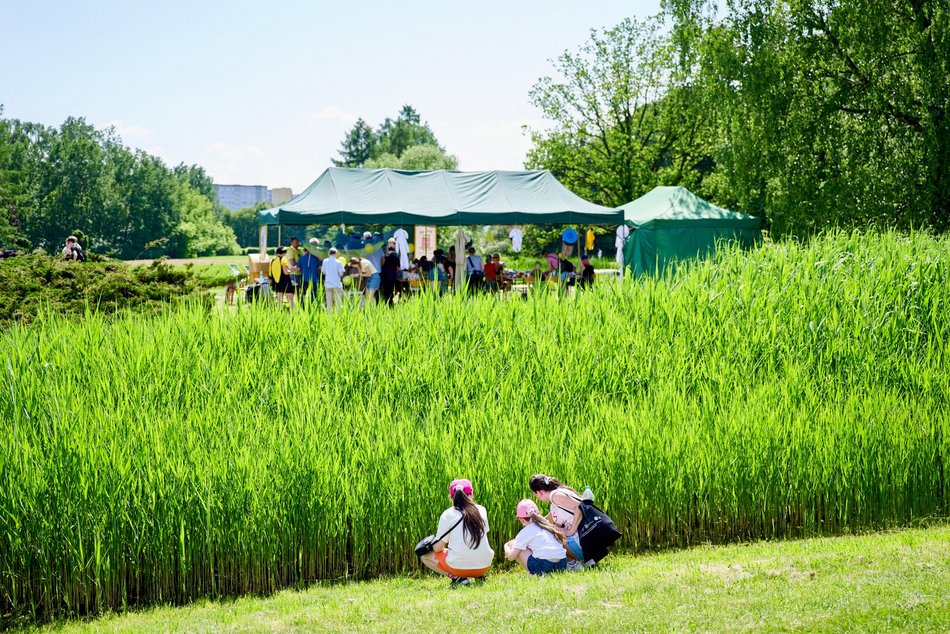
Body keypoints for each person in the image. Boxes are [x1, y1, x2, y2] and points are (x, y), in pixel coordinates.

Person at [419, 478, 494, 585]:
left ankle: (457, 578)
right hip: (484, 566)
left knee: (425, 556)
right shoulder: (481, 510)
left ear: (451, 497)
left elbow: (437, 548)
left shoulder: (447, 514)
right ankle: (479, 575)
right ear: (471, 494)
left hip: (459, 568)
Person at [529, 474, 585, 565]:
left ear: (539, 492)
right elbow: (547, 521)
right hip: (585, 538)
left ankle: (575, 563)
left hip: (585, 539)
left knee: (550, 540)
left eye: (535, 494)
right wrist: (531, 522)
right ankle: (574, 563)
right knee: (552, 533)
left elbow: (579, 506)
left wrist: (571, 531)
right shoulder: (557, 498)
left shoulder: (555, 496)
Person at [504, 499, 568, 575]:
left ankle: (533, 573)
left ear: (521, 519)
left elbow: (510, 557)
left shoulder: (526, 531)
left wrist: (506, 545)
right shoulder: (547, 525)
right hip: (562, 564)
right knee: (523, 546)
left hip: (544, 566)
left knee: (516, 546)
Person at [297, 238, 323, 304]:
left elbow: (298, 269)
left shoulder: (302, 258)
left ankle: (303, 306)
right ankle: (311, 306)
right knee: (313, 294)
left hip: (305, 278)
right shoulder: (317, 258)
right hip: (314, 278)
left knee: (303, 294)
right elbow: (320, 268)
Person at [322, 247, 345, 311]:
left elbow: (323, 272)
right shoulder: (339, 262)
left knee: (329, 303)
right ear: (336, 254)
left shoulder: (325, 261)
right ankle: (337, 314)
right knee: (338, 302)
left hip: (328, 284)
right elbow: (341, 274)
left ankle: (329, 314)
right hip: (336, 284)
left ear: (329, 253)